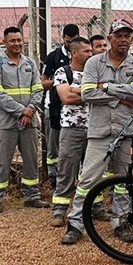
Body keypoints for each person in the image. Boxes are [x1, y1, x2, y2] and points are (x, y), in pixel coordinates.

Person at [63, 20, 133, 244]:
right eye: (118, 35)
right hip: (100, 131)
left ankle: (120, 223)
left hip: (126, 130)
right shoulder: (94, 62)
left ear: (131, 39)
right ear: (110, 38)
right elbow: (88, 94)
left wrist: (107, 87)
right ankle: (75, 224)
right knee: (89, 179)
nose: (123, 40)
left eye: (127, 36)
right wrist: (120, 96)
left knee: (122, 182)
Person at [0, 26, 47, 214]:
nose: (17, 44)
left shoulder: (30, 63)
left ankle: (32, 196)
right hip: (5, 122)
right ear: (4, 42)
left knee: (30, 159)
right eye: (12, 40)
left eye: (19, 40)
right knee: (1, 161)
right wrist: (22, 111)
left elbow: (38, 89)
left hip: (29, 121)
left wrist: (30, 111)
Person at [52, 36, 93, 236]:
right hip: (71, 128)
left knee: (92, 171)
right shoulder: (63, 72)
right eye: (86, 51)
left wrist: (80, 92)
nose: (90, 54)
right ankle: (59, 210)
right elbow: (66, 98)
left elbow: (104, 94)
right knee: (67, 167)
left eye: (91, 51)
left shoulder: (95, 71)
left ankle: (95, 207)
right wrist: (91, 94)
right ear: (74, 52)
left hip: (94, 128)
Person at [43, 24, 80, 186]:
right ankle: (54, 179)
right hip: (55, 106)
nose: (70, 44)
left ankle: (75, 180)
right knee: (54, 146)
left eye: (73, 41)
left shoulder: (85, 56)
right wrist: (61, 83)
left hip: (78, 110)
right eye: (68, 41)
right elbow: (43, 82)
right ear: (63, 38)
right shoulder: (54, 56)